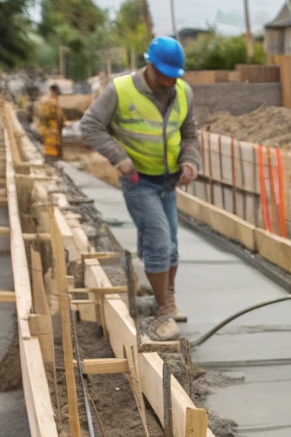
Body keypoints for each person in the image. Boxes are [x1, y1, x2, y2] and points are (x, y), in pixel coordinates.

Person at [79, 36, 201, 340]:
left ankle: (169, 302)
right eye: (164, 75)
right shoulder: (121, 90)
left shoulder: (183, 91)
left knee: (171, 244)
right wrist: (119, 159)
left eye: (175, 76)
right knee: (159, 241)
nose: (170, 81)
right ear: (150, 66)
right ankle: (162, 313)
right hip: (138, 180)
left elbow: (189, 135)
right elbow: (90, 126)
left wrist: (190, 161)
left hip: (168, 179)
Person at [35, 83, 65, 161]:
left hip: (50, 127)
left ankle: (53, 158)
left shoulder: (50, 101)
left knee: (53, 143)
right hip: (50, 128)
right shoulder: (50, 102)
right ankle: (51, 159)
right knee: (51, 144)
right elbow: (50, 115)